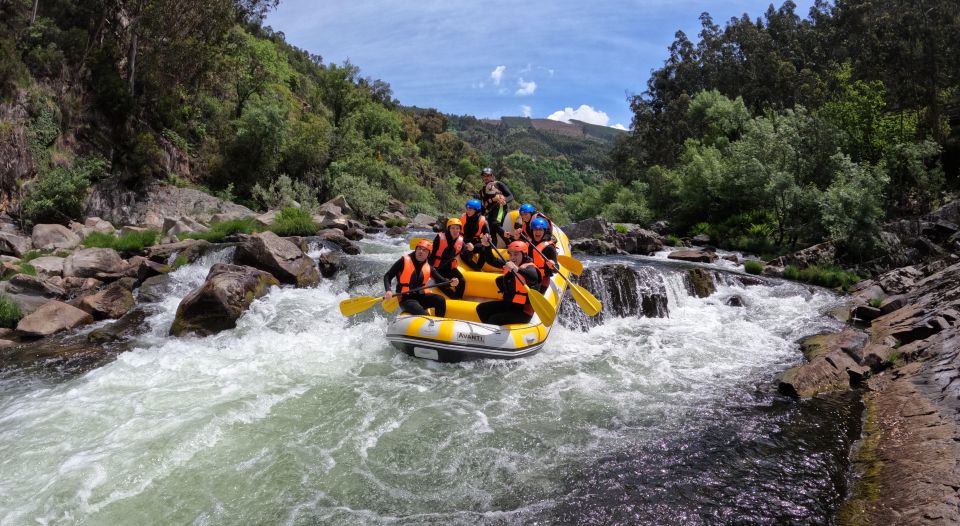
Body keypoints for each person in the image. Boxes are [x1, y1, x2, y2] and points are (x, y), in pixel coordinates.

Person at [475, 237, 542, 325]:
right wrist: (487, 246)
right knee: (481, 309)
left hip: (524, 311)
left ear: (524, 255)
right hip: (511, 304)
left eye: (516, 254)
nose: (513, 257)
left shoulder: (530, 267)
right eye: (511, 255)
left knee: (494, 319)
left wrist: (517, 269)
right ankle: (492, 332)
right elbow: (491, 261)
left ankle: (493, 331)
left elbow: (533, 277)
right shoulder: (510, 264)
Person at [384, 240, 459, 316]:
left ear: (428, 254)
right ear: (415, 250)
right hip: (406, 298)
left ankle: (439, 324)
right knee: (423, 314)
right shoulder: (403, 261)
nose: (421, 251)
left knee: (440, 300)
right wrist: (388, 290)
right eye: (419, 249)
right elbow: (388, 276)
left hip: (421, 296)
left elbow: (440, 280)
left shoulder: (429, 267)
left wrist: (451, 282)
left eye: (424, 250)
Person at [429, 218, 466, 299]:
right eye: (452, 228)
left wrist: (470, 250)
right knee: (443, 283)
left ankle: (459, 298)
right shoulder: (439, 238)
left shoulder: (461, 242)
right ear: (448, 229)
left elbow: (467, 257)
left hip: (450, 268)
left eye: (457, 228)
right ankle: (456, 299)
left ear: (460, 230)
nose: (455, 230)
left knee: (462, 281)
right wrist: (431, 269)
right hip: (438, 268)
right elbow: (431, 255)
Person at [477, 167, 513, 246]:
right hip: (491, 211)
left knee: (495, 224)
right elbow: (483, 206)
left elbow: (510, 196)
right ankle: (494, 249)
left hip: (500, 207)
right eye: (484, 176)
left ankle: (510, 242)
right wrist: (481, 217)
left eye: (488, 175)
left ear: (492, 176)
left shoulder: (498, 184)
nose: (486, 177)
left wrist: (505, 201)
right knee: (491, 230)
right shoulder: (482, 191)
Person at [524, 217, 558, 292]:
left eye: (540, 230)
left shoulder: (549, 248)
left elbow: (556, 269)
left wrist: (553, 266)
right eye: (535, 229)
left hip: (543, 280)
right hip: (529, 276)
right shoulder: (528, 244)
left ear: (544, 231)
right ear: (532, 231)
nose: (537, 232)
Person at [459, 198, 489, 271]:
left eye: (470, 209)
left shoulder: (483, 221)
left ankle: (479, 267)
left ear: (476, 210)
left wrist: (486, 239)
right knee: (463, 254)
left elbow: (487, 236)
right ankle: (478, 270)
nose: (467, 211)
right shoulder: (463, 217)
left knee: (484, 249)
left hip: (475, 242)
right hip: (463, 241)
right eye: (467, 208)